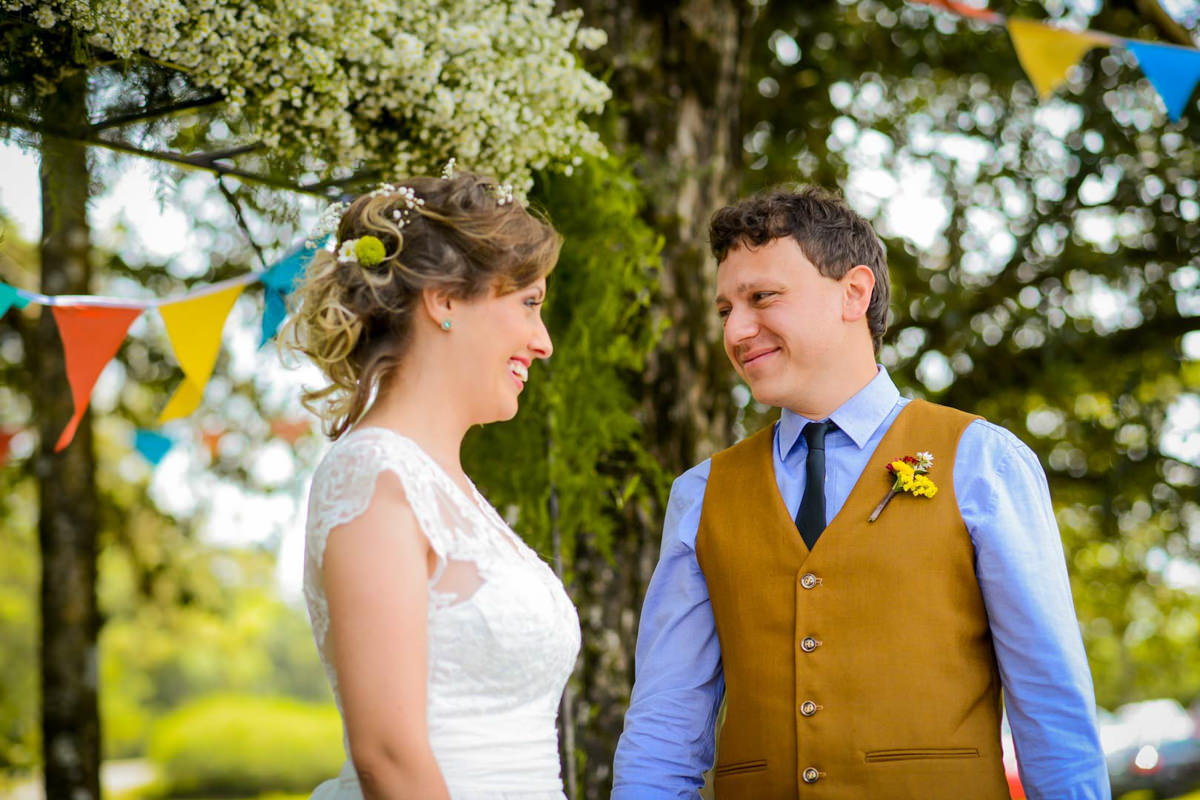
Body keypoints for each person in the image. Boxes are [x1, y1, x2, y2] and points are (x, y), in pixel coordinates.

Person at [611, 186, 1109, 799]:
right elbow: (665, 725)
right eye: (724, 310)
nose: (737, 329)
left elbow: (1050, 706)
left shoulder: (982, 462)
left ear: (854, 292)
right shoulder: (701, 494)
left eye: (762, 297)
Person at [285, 172, 580, 800]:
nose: (544, 341)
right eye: (528, 303)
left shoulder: (449, 488)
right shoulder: (375, 477)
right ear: (444, 299)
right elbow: (388, 755)